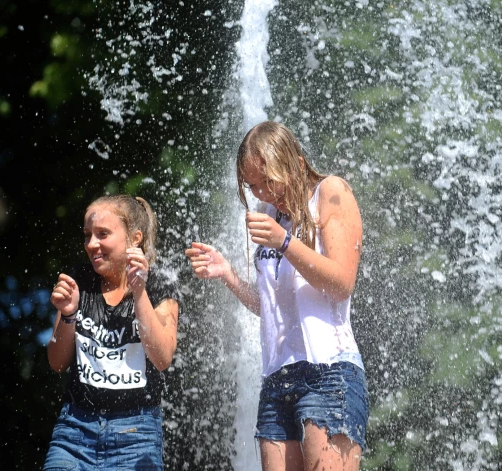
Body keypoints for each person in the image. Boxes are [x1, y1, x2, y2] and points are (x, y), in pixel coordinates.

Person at [185, 121, 369, 471]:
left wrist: (285, 242)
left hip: (329, 373)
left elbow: (342, 282)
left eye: (269, 181)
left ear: (297, 164)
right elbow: (271, 307)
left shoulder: (331, 193)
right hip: (277, 378)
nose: (264, 194)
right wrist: (228, 274)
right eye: (254, 185)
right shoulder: (271, 216)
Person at [43, 194, 180, 471]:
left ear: (135, 238)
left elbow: (162, 357)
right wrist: (69, 315)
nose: (91, 244)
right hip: (74, 432)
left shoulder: (159, 284)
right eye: (87, 235)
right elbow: (56, 363)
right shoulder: (79, 280)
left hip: (136, 436)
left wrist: (139, 291)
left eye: (102, 234)